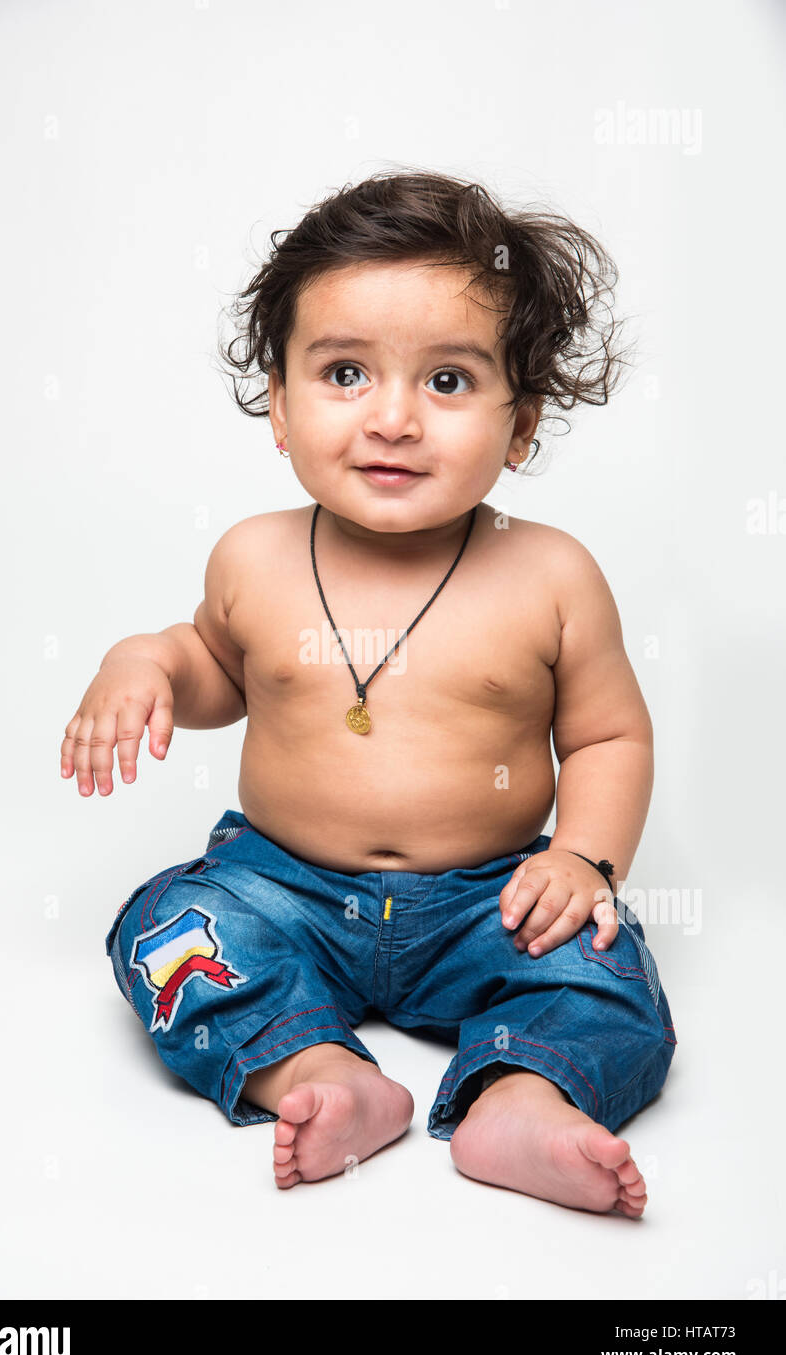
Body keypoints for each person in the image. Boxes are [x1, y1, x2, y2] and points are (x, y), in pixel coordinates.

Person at [60, 169, 675, 1217]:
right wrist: (148, 662)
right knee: (168, 926)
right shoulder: (253, 557)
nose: (393, 419)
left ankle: (519, 1095)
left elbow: (611, 734)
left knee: (609, 977)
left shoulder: (550, 574)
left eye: (447, 382)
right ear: (282, 407)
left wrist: (584, 858)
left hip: (491, 901)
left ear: (520, 424)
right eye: (345, 372)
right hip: (284, 890)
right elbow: (220, 668)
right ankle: (317, 1072)